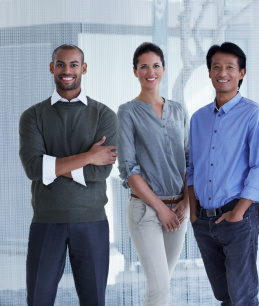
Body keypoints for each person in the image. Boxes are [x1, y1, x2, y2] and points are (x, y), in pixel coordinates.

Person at [19, 44, 118, 306]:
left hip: (92, 221)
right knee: (38, 300)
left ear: (83, 69)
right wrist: (87, 156)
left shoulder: (104, 115)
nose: (67, 70)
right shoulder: (33, 116)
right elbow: (34, 169)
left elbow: (102, 170)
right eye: (60, 64)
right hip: (46, 221)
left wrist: (53, 166)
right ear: (52, 68)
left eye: (74, 64)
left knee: (94, 301)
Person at [187, 42, 259, 306]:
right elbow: (191, 168)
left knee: (242, 297)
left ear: (241, 73)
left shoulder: (253, 114)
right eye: (216, 67)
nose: (222, 72)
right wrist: (192, 211)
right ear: (209, 73)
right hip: (203, 219)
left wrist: (239, 212)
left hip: (238, 217)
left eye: (230, 68)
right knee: (223, 296)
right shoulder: (198, 118)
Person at [117, 42, 189, 306]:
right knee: (160, 291)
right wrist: (161, 209)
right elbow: (128, 170)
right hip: (146, 212)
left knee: (160, 288)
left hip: (179, 210)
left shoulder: (179, 110)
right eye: (144, 66)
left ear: (164, 69)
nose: (150, 71)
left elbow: (190, 160)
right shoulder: (128, 112)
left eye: (156, 65)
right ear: (135, 71)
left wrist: (186, 201)